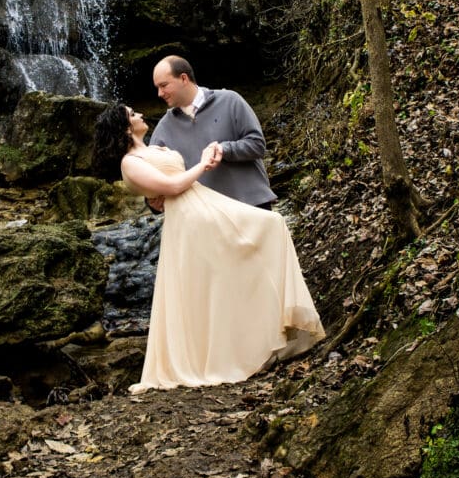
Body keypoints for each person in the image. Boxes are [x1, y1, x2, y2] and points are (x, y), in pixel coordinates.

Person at [93, 103, 326, 393]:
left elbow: (171, 184)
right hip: (190, 219)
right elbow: (172, 186)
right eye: (133, 114)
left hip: (204, 204)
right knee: (222, 276)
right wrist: (202, 164)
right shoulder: (129, 162)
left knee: (271, 227)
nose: (140, 114)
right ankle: (240, 349)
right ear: (126, 127)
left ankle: (274, 328)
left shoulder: (151, 148)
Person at [148, 56, 276, 210]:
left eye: (164, 85)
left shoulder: (230, 100)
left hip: (254, 206)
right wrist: (151, 202)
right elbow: (151, 176)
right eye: (157, 87)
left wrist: (224, 149)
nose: (159, 93)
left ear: (183, 78)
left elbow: (258, 145)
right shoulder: (162, 129)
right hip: (209, 219)